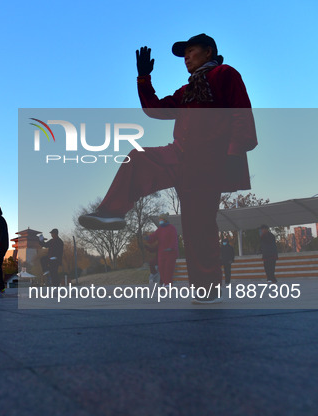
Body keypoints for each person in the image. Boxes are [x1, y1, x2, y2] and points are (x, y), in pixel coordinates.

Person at [78, 34, 257, 304]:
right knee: (137, 157)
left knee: (197, 225)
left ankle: (207, 290)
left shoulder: (225, 74)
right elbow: (156, 109)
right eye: (183, 53)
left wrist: (233, 153)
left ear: (208, 52)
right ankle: (111, 213)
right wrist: (143, 79)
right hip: (178, 154)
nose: (185, 56)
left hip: (207, 162)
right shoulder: (186, 91)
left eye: (190, 50)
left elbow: (241, 112)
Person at [144, 215, 178, 287]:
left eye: (161, 219)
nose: (160, 221)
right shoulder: (160, 229)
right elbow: (153, 237)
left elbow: (174, 239)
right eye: (159, 220)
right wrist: (148, 238)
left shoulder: (171, 228)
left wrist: (171, 247)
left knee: (168, 268)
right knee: (162, 268)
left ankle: (168, 283)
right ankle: (164, 282)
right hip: (162, 252)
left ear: (165, 220)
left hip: (170, 252)